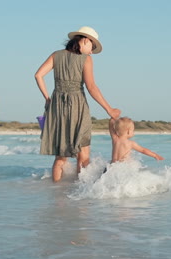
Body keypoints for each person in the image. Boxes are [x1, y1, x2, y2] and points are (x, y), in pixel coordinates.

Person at [35, 26, 121, 182]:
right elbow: (91, 87)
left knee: (60, 157)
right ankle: (80, 194)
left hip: (57, 107)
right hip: (77, 106)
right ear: (86, 40)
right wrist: (109, 110)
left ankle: (56, 196)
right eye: (92, 47)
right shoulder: (86, 59)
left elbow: (38, 75)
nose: (91, 52)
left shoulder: (56, 55)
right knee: (83, 155)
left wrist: (47, 99)